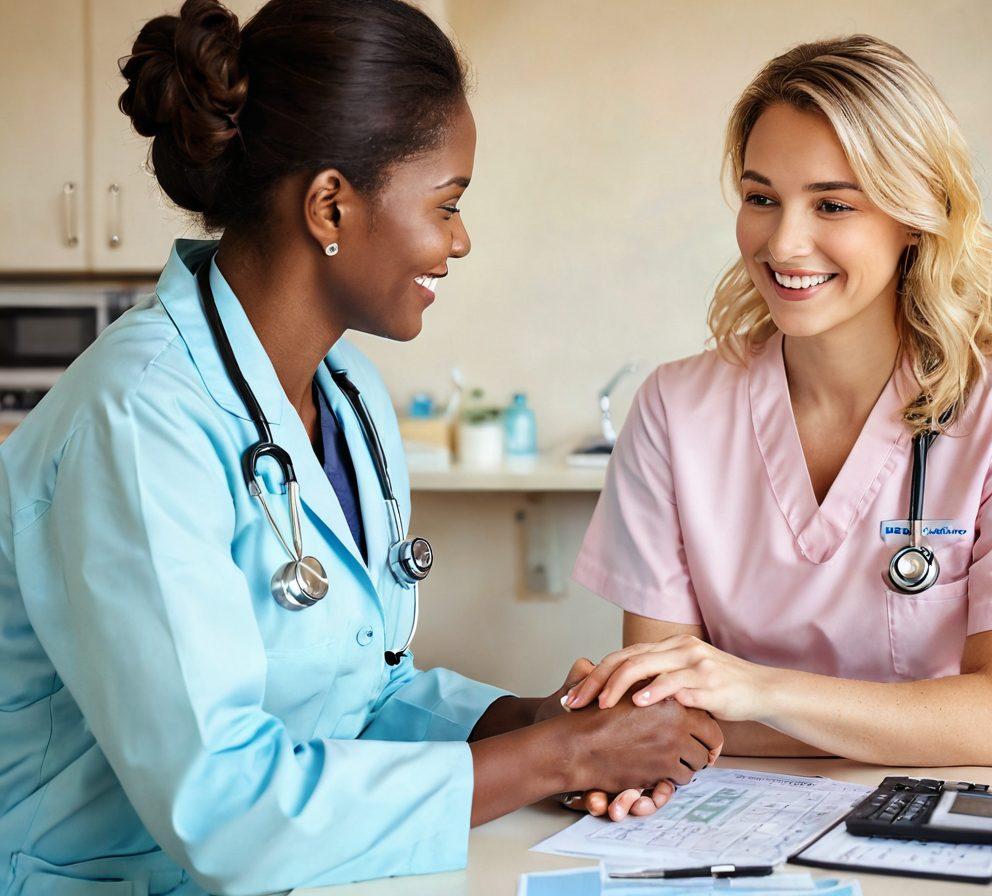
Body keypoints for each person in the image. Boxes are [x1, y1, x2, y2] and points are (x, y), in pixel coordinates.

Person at [0, 2, 722, 893]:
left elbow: (360, 698)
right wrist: (560, 759)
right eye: (447, 205)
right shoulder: (141, 419)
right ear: (330, 204)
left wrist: (532, 721)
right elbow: (225, 810)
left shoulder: (348, 395)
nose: (459, 240)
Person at [564, 34, 992, 821]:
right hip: (735, 811)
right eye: (761, 197)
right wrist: (649, 734)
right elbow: (661, 715)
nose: (783, 243)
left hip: (971, 809)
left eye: (832, 204)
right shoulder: (675, 408)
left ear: (916, 218)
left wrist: (753, 692)